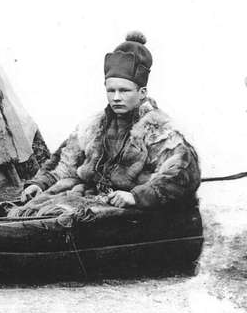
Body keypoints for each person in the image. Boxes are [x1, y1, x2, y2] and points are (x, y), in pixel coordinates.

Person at [20, 32, 200, 209]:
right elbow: (64, 164)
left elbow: (182, 172)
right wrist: (40, 184)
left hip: (132, 210)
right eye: (111, 90)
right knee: (36, 210)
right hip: (92, 197)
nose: (116, 97)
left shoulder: (158, 130)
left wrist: (136, 197)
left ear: (142, 92)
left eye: (124, 90)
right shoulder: (93, 126)